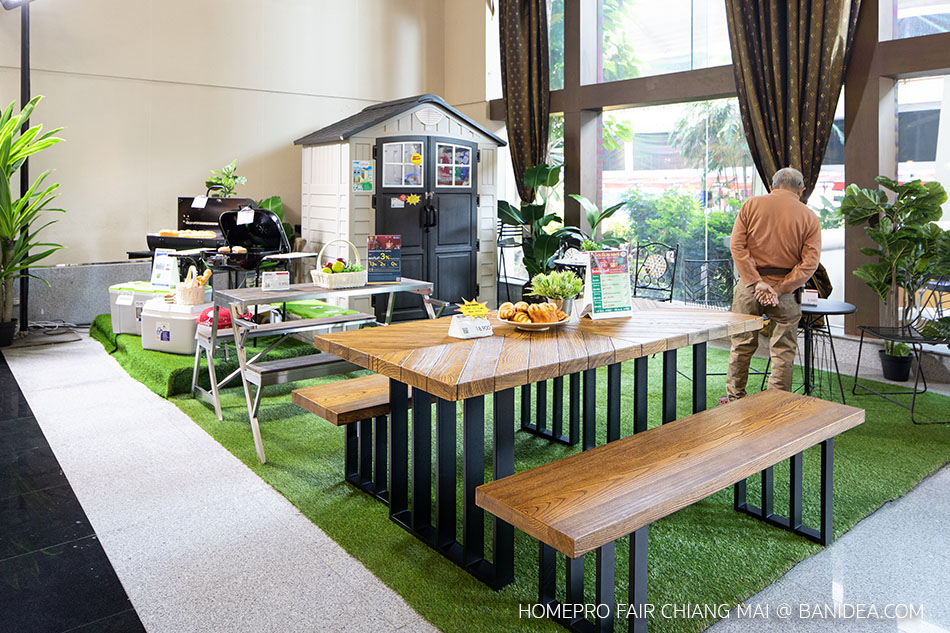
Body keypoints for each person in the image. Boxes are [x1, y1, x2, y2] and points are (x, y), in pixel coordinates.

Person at [726, 167, 821, 400]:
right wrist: (779, 289)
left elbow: (737, 247)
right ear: (801, 190)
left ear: (772, 186)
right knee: (783, 351)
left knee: (741, 345)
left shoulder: (751, 206)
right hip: (786, 294)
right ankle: (775, 405)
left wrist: (756, 282)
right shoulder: (809, 217)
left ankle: (734, 399)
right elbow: (810, 263)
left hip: (749, 289)